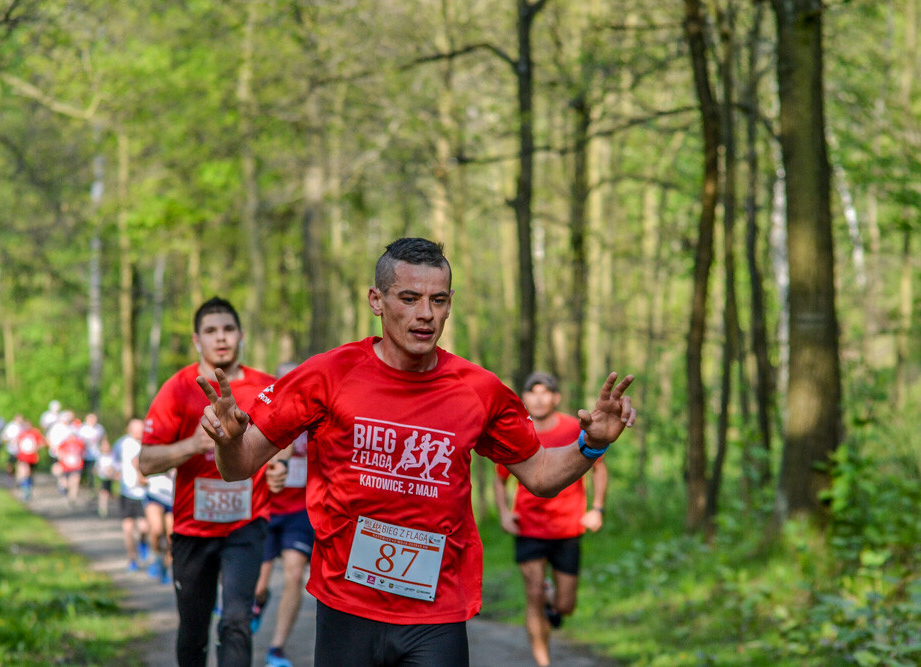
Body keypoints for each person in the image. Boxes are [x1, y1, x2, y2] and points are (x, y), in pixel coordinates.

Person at [198, 238, 636, 667]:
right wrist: (230, 442)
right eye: (409, 298)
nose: (425, 314)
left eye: (438, 300)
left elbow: (540, 474)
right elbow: (239, 467)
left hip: (437, 611)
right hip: (346, 604)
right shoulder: (328, 375)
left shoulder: (479, 390)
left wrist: (591, 444)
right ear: (377, 300)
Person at [138, 296, 284, 667]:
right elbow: (146, 462)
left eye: (228, 329)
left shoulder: (267, 388)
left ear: (241, 335)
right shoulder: (178, 389)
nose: (221, 338)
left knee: (236, 621)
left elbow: (283, 444)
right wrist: (192, 444)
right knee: (193, 629)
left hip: (247, 525)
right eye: (211, 331)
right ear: (196, 340)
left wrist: (276, 467)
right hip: (192, 530)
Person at [493, 371, 609, 667]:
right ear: (525, 397)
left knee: (565, 605)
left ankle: (552, 597)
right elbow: (500, 477)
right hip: (529, 526)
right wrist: (505, 514)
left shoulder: (575, 427)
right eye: (533, 392)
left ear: (556, 398)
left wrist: (597, 508)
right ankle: (543, 662)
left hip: (567, 527)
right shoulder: (517, 429)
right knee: (532, 594)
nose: (540, 398)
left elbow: (598, 468)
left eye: (546, 392)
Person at [250, 362, 314, 667]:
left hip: (301, 511)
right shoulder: (266, 414)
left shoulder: (318, 416)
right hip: (267, 509)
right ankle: (259, 601)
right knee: (259, 584)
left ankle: (276, 647)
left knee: (294, 573)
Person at [113, 418, 150, 571]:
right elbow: (112, 460)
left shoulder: (149, 444)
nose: (138, 432)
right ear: (129, 429)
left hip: (144, 493)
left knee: (144, 528)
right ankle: (132, 559)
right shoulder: (121, 444)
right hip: (126, 492)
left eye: (140, 429)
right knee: (127, 529)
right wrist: (115, 470)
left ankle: (142, 542)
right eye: (135, 429)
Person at [14, 420, 46, 502]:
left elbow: (42, 442)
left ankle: (28, 487)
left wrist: (36, 447)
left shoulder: (35, 433)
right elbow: (16, 442)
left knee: (30, 474)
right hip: (23, 457)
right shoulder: (22, 434)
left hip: (32, 457)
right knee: (25, 472)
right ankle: (25, 491)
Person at [56, 426, 86, 506]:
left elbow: (83, 453)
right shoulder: (64, 443)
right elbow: (59, 453)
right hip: (66, 465)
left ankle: (72, 498)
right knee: (67, 483)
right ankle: (67, 492)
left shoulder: (80, 443)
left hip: (77, 465)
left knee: (75, 482)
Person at [78, 413, 109, 492]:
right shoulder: (82, 428)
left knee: (93, 470)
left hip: (96, 453)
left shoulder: (99, 428)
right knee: (82, 470)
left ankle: (92, 486)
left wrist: (104, 447)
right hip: (84, 453)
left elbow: (104, 438)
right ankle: (82, 483)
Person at [94, 438, 119, 518]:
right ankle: (103, 510)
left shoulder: (113, 456)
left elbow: (117, 466)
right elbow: (96, 468)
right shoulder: (99, 456)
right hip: (102, 478)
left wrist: (113, 471)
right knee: (103, 494)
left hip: (111, 478)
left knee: (110, 494)